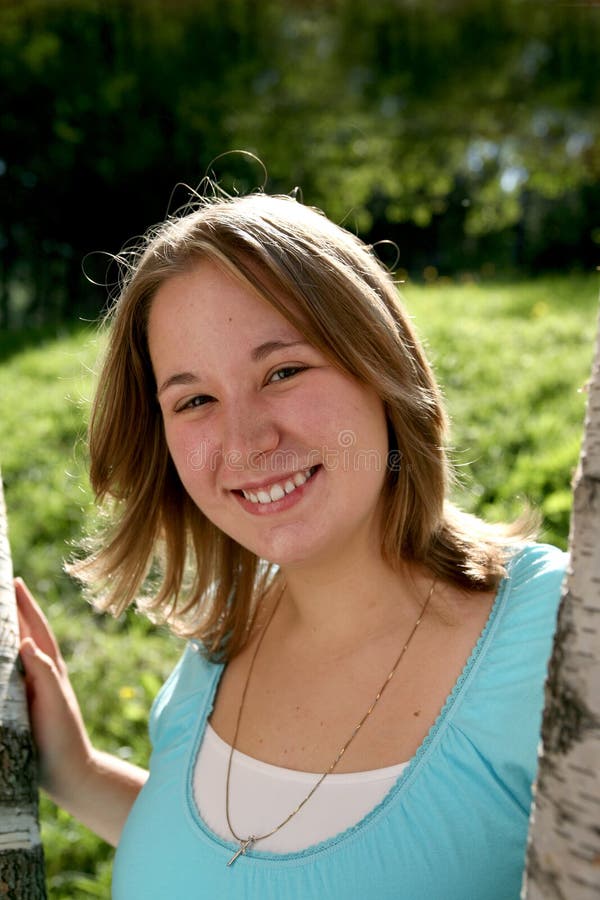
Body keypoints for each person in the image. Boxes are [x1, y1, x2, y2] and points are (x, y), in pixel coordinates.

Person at [16, 191, 567, 899]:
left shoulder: (556, 634)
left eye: (283, 371)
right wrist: (78, 773)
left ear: (380, 364)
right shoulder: (217, 647)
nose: (246, 443)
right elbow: (233, 870)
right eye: (194, 401)